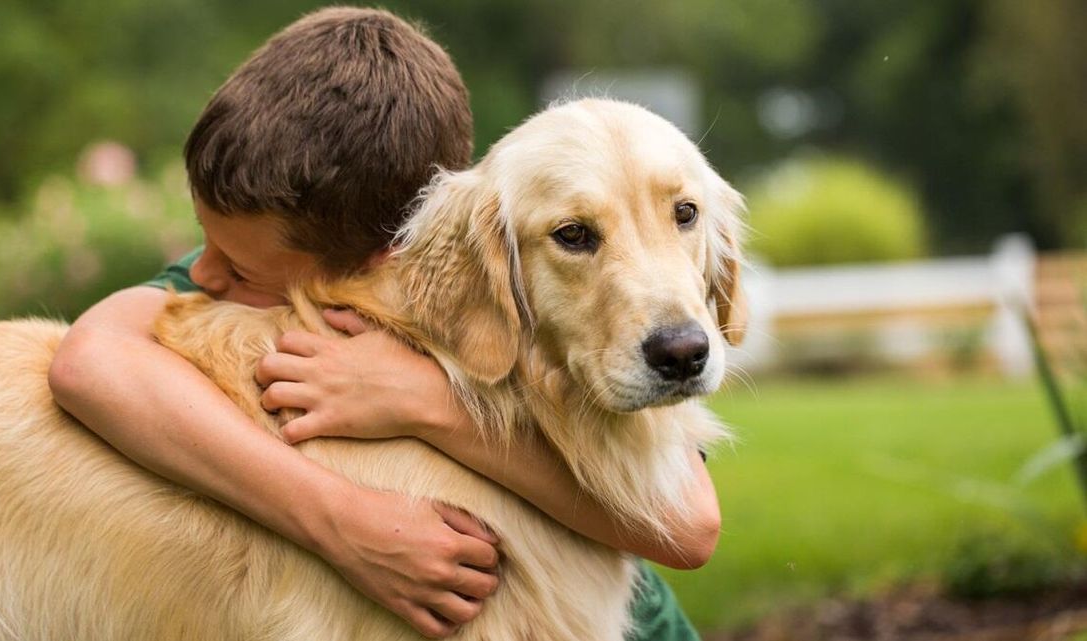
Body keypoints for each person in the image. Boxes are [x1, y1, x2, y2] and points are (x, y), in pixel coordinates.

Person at [47, 7, 718, 640]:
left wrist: (424, 403)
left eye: (242, 268)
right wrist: (339, 517)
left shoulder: (475, 256)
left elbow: (690, 526)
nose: (203, 275)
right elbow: (89, 360)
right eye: (206, 241)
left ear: (379, 260)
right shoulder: (271, 252)